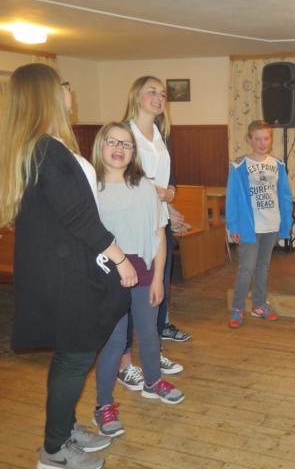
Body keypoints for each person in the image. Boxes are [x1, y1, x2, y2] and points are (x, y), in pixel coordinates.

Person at [0, 63, 135, 469]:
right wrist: (120, 259)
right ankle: (54, 451)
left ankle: (63, 429)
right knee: (76, 355)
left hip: (64, 267)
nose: (69, 91)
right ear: (47, 94)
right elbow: (79, 217)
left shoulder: (42, 146)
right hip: (66, 274)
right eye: (63, 86)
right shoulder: (45, 149)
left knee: (70, 356)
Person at [92, 122, 185, 437]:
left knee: (148, 333)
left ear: (133, 153)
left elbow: (158, 234)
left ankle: (152, 381)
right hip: (109, 276)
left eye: (126, 144)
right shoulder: (91, 188)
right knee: (115, 341)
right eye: (113, 142)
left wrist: (158, 278)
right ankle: (104, 404)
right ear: (100, 145)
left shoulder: (144, 186)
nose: (119, 149)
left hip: (145, 271)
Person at [117, 76, 187, 391]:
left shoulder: (162, 134)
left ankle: (153, 353)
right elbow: (114, 179)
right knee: (129, 296)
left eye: (163, 93)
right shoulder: (123, 133)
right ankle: (124, 364)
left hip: (158, 222)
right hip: (130, 225)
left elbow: (168, 181)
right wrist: (152, 193)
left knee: (159, 292)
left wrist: (170, 199)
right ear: (136, 96)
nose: (159, 97)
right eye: (152, 92)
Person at [226, 120, 293, 328]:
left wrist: (287, 221)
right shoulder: (239, 165)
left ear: (271, 140)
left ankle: (259, 305)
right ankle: (237, 308)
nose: (262, 143)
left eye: (266, 138)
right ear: (249, 139)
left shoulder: (278, 165)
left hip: (271, 225)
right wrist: (233, 226)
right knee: (246, 268)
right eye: (258, 139)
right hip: (250, 227)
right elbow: (232, 198)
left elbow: (284, 196)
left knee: (263, 266)